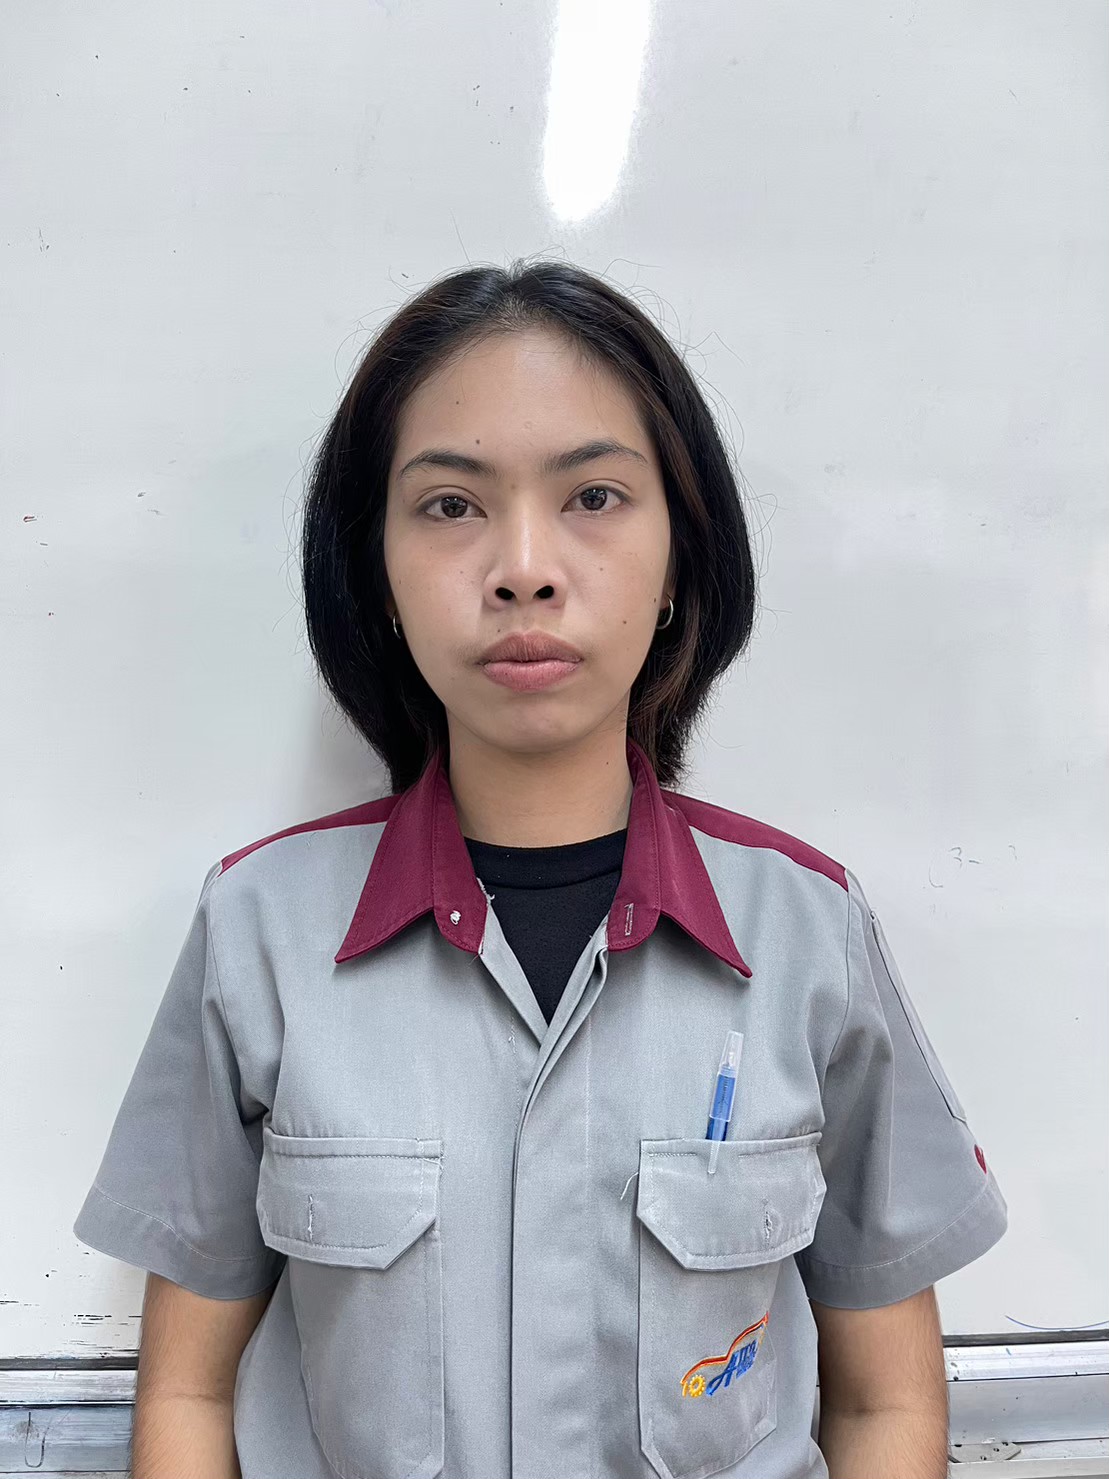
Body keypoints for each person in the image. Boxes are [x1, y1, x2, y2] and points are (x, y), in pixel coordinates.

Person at [73, 258, 1008, 1479]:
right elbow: (188, 1395)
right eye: (449, 505)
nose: (523, 566)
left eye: (593, 497)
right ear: (376, 573)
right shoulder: (259, 932)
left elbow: (884, 1408)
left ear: (680, 558)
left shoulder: (801, 932)